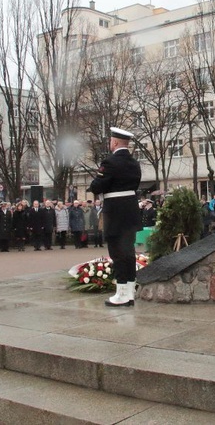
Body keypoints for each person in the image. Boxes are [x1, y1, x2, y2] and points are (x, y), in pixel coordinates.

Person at [89, 127, 142, 307]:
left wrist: (96, 183)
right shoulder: (135, 163)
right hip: (131, 211)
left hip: (115, 212)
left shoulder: (110, 162)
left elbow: (97, 186)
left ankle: (120, 294)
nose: (110, 143)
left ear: (115, 142)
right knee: (129, 252)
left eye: (111, 140)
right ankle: (130, 292)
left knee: (117, 253)